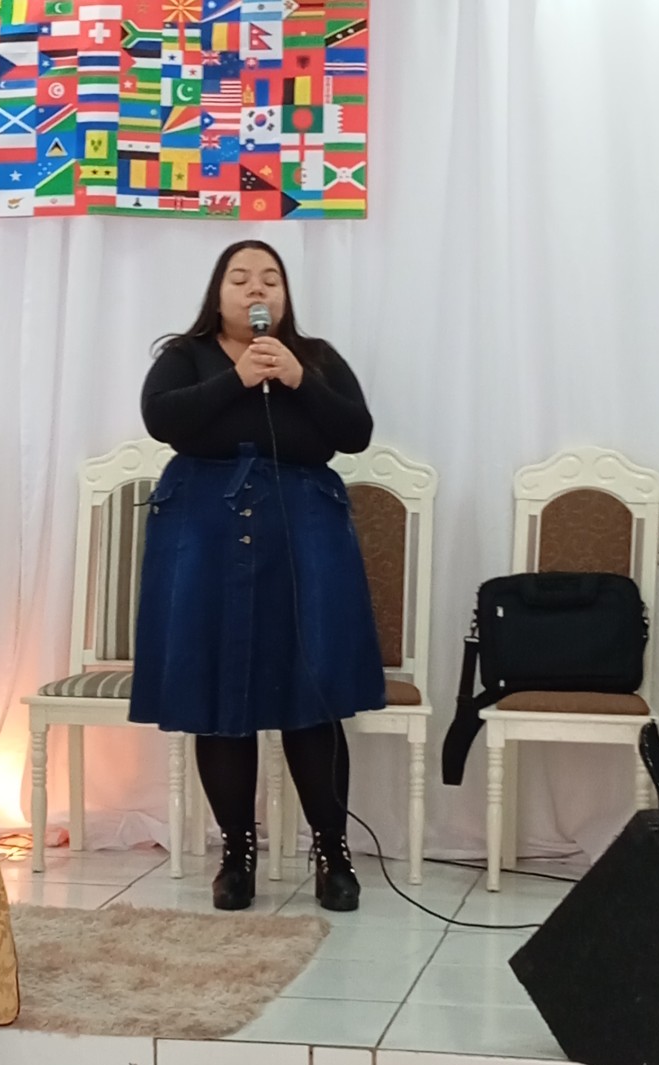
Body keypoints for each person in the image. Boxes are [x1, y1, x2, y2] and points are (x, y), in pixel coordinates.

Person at [129, 240, 385, 912]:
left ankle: (332, 852)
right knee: (220, 694)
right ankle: (236, 854)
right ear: (217, 294)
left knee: (310, 689)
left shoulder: (314, 357)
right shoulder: (184, 355)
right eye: (239, 278)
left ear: (285, 295)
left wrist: (299, 380)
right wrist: (236, 378)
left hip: (303, 530)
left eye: (270, 279)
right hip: (204, 529)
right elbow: (162, 419)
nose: (255, 289)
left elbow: (355, 433)